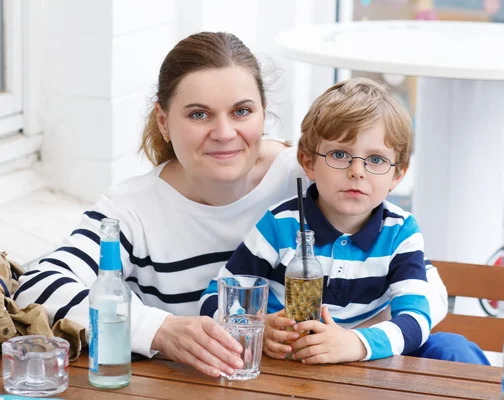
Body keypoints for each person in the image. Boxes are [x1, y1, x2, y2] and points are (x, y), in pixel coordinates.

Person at [13, 32, 305, 378]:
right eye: (199, 115)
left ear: (263, 113)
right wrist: (161, 330)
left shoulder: (307, 179)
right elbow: (40, 284)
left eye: (241, 111)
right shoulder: (131, 209)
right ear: (164, 121)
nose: (225, 132)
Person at [199, 78, 490, 365]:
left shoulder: (400, 232)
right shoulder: (280, 224)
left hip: (369, 361)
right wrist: (260, 328)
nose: (357, 171)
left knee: (454, 349)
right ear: (309, 162)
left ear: (398, 174)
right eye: (340, 154)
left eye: (376, 160)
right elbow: (214, 298)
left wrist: (356, 342)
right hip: (292, 365)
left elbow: (415, 318)